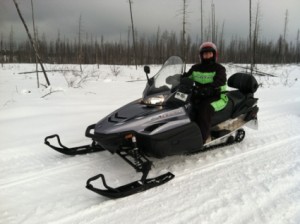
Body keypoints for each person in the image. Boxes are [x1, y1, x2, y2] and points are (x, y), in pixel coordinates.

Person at [181, 42, 228, 143]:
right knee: (184, 105)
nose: (207, 55)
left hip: (217, 96)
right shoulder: (196, 68)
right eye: (205, 53)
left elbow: (220, 81)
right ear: (201, 55)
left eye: (209, 53)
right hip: (199, 94)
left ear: (214, 55)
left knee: (204, 109)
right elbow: (187, 76)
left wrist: (209, 88)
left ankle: (202, 139)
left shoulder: (219, 68)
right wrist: (176, 79)